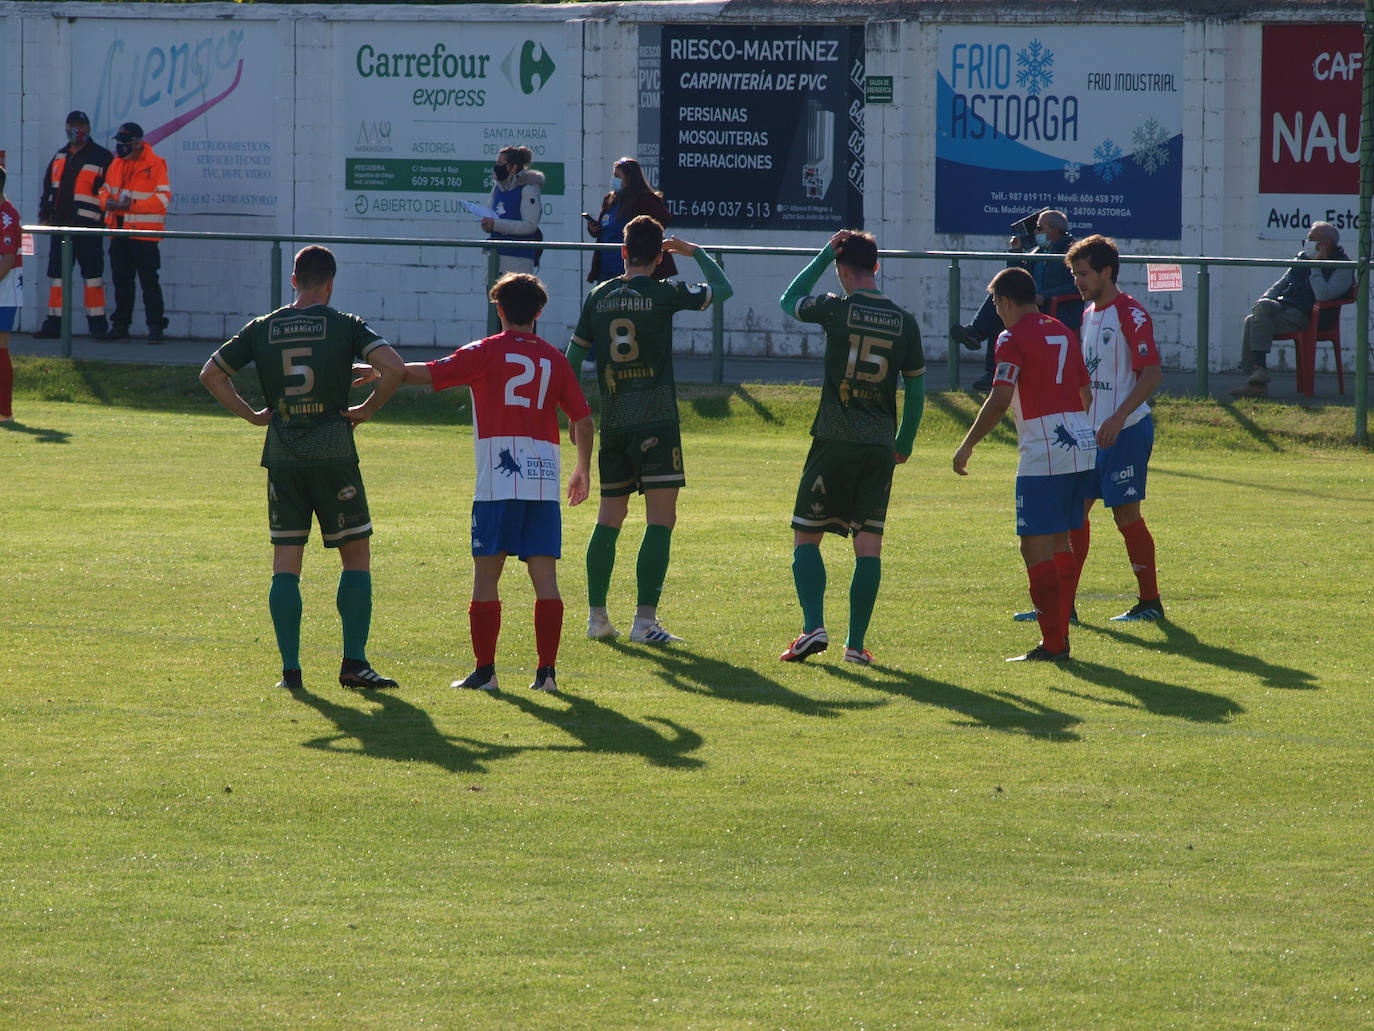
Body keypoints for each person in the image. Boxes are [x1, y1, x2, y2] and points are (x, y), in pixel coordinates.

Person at [199, 245, 405, 692]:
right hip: (333, 455)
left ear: (293, 280)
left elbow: (211, 375)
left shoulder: (263, 327)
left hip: (284, 457)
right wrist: (367, 408)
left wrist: (254, 415)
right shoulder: (344, 324)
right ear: (330, 284)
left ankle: (290, 673)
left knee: (285, 563)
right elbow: (393, 366)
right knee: (355, 557)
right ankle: (354, 664)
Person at [382, 273, 593, 693]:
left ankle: (485, 672)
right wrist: (582, 468)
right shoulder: (555, 359)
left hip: (499, 480)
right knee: (545, 579)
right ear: (538, 313)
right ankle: (547, 675)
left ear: (499, 310)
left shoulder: (485, 351)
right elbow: (583, 418)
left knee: (486, 577)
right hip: (543, 479)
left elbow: (428, 372)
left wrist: (383, 371)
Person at [566, 215, 732, 644]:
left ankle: (597, 618)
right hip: (657, 422)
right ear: (660, 258)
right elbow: (724, 289)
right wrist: (693, 252)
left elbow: (572, 359)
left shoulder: (598, 296)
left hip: (615, 423)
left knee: (609, 519)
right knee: (661, 520)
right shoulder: (664, 292)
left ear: (622, 252)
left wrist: (573, 412)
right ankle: (644, 622)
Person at [778, 229, 926, 666]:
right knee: (869, 544)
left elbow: (790, 300)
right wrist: (904, 443)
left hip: (834, 440)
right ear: (876, 267)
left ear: (844, 270)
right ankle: (856, 646)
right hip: (879, 446)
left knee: (807, 534)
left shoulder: (835, 308)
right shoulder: (905, 321)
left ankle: (813, 627)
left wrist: (824, 254)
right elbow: (917, 394)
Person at [953, 267, 1096, 662]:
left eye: (996, 304)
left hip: (1046, 447)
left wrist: (967, 445)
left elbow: (999, 399)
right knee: (1060, 541)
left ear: (1005, 301)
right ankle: (1061, 633)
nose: (997, 312)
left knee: (1033, 547)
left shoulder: (1010, 337)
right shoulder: (1063, 331)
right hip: (1081, 441)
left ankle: (1053, 643)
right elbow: (1085, 393)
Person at [1058, 233, 1165, 623]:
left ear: (1107, 271)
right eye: (1074, 274)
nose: (1078, 282)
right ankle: (1063, 606)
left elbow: (1151, 374)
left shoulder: (1130, 313)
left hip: (1128, 430)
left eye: (1083, 274)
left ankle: (1150, 602)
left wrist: (1118, 418)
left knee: (1125, 516)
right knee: (1075, 513)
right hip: (1093, 434)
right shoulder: (1087, 315)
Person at [951, 209, 1081, 393]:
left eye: (1039, 228)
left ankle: (977, 332)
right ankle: (990, 368)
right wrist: (1016, 252)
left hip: (1055, 307)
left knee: (1006, 302)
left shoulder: (1073, 251)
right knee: (1003, 297)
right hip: (1030, 302)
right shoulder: (1038, 251)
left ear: (1054, 230)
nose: (1035, 232)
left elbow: (1079, 284)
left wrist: (1046, 296)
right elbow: (1016, 277)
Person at [1231, 221, 1354, 398]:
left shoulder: (1343, 266)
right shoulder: (1302, 258)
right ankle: (1258, 375)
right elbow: (1281, 284)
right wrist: (1264, 300)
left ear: (1325, 243)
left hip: (1310, 314)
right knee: (1262, 307)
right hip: (1285, 305)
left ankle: (1256, 378)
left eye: (1311, 239)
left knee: (1252, 321)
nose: (1307, 243)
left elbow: (1323, 295)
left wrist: (1316, 265)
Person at [33, 111, 111, 339]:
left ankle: (98, 327)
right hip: (61, 228)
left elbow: (109, 191)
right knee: (58, 277)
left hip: (89, 228)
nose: (76, 130)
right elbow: (48, 189)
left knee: (93, 277)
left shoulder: (102, 156)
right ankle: (53, 325)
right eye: (72, 125)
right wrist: (44, 217)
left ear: (88, 127)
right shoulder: (60, 156)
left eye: (81, 125)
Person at [99, 122, 170, 342]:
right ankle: (120, 326)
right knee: (122, 283)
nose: (121, 146)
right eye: (119, 142)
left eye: (126, 142)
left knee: (149, 283)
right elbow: (104, 190)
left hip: (144, 236)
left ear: (138, 142)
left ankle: (155, 328)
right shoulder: (116, 164)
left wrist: (132, 206)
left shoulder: (155, 164)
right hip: (119, 234)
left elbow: (162, 199)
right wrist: (107, 203)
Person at [583, 157, 677, 283]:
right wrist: (593, 229)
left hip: (632, 268)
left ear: (630, 178)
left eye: (618, 176)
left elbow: (664, 217)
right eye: (613, 175)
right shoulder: (610, 200)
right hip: (605, 269)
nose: (614, 179)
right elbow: (604, 229)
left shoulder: (642, 199)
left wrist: (646, 234)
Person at [480, 145, 544, 276]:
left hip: (518, 260)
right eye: (496, 163)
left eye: (500, 163)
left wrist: (497, 225)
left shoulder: (527, 189)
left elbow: (530, 226)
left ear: (513, 167)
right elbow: (490, 214)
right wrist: (487, 225)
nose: (497, 167)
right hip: (495, 257)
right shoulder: (497, 187)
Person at [0, 166, 21, 423]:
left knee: (1, 348)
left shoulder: (7, 216)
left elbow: (7, 259)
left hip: (4, 291)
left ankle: (4, 412)